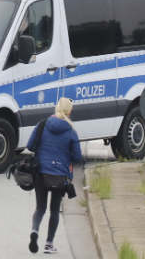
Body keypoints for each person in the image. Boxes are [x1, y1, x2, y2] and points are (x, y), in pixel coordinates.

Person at [26, 97, 83, 254]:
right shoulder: (71, 131)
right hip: (59, 176)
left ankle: (34, 231)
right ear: (70, 111)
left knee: (40, 208)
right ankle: (49, 244)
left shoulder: (42, 125)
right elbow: (77, 157)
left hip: (40, 173)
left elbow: (30, 146)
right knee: (54, 210)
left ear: (56, 108)